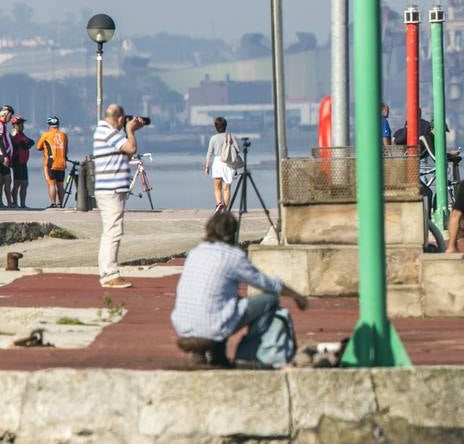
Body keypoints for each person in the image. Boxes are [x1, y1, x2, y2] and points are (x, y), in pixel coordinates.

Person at [171, 210, 314, 368]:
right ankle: (249, 354)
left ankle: (207, 356)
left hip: (183, 327)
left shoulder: (195, 253)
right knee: (269, 300)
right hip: (213, 326)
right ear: (232, 233)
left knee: (224, 302)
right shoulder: (233, 256)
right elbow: (265, 283)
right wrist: (296, 295)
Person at [92, 103, 147, 289]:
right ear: (121, 119)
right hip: (111, 190)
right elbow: (131, 149)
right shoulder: (109, 132)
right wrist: (131, 130)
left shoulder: (104, 132)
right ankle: (110, 274)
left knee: (109, 231)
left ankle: (106, 272)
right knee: (113, 232)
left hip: (109, 188)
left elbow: (124, 156)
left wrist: (128, 131)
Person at [204, 117, 242, 212]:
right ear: (225, 126)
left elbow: (209, 153)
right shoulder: (230, 136)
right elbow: (238, 149)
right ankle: (225, 210)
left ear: (216, 127)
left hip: (218, 162)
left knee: (217, 186)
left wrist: (207, 166)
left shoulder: (213, 138)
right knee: (226, 188)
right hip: (229, 162)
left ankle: (219, 203)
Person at [35, 116, 68, 208]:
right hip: (62, 163)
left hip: (50, 164)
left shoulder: (46, 135)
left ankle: (53, 203)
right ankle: (60, 204)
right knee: (61, 185)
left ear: (49, 125)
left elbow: (38, 147)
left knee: (52, 184)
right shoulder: (63, 135)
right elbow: (66, 149)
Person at [9, 117, 33, 209]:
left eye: (22, 124)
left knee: (24, 184)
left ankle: (23, 204)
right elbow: (24, 145)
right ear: (15, 125)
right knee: (17, 183)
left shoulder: (21, 134)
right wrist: (26, 144)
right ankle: (15, 203)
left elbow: (31, 142)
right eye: (20, 124)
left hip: (23, 162)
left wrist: (26, 144)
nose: (22, 126)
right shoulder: (14, 134)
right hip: (17, 161)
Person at [0, 105, 14, 208]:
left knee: (4, 181)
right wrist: (5, 155)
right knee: (7, 180)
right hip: (2, 156)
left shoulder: (3, 125)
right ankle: (8, 203)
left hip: (4, 155)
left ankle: (6, 203)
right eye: (10, 115)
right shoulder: (0, 125)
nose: (11, 118)